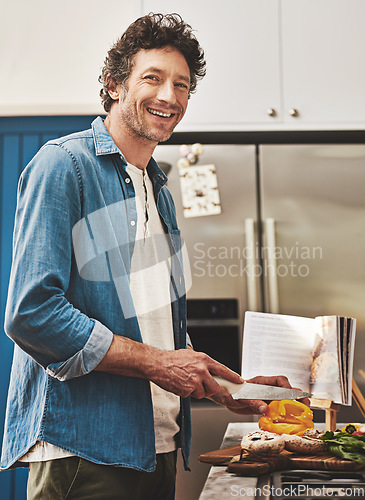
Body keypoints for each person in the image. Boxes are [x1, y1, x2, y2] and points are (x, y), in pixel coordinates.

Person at [0, 13, 298, 500]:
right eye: (153, 78)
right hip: (86, 449)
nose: (169, 96)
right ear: (116, 85)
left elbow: (159, 330)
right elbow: (32, 314)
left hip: (157, 446)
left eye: (181, 85)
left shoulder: (158, 190)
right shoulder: (64, 165)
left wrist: (234, 389)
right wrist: (159, 364)